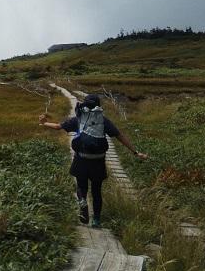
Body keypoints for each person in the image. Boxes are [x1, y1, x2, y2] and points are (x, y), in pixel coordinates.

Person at [38, 94, 148, 228]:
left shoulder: (78, 119)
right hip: (98, 161)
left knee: (81, 186)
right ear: (98, 106)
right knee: (96, 191)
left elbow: (57, 127)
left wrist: (44, 123)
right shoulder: (103, 120)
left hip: (82, 159)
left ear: (84, 105)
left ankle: (83, 201)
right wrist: (136, 152)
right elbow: (120, 136)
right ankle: (96, 220)